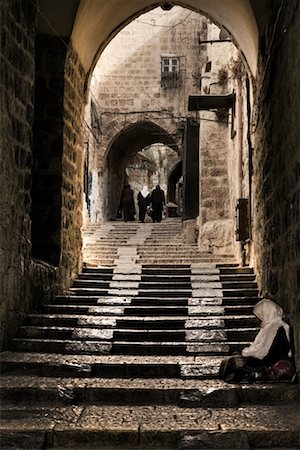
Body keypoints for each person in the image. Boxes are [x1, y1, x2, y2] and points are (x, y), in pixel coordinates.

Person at [219, 298, 295, 383]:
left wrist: (248, 355)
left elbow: (266, 354)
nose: (258, 319)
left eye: (259, 316)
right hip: (267, 359)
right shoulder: (271, 327)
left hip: (270, 362)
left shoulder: (275, 327)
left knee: (235, 363)